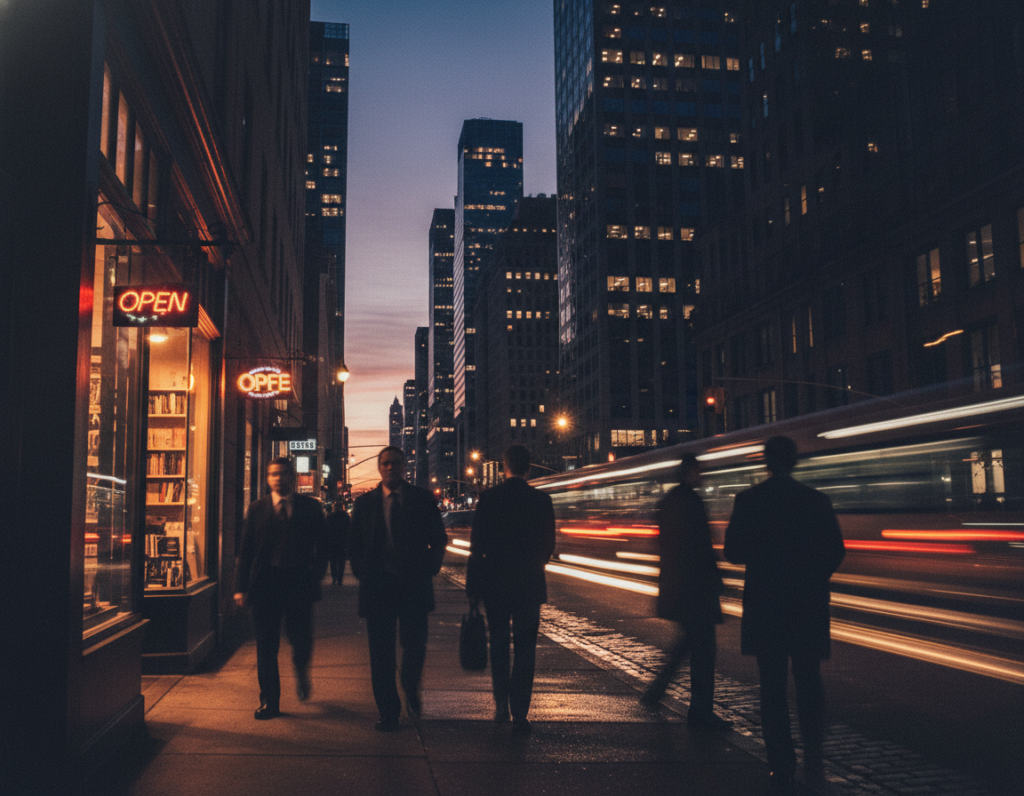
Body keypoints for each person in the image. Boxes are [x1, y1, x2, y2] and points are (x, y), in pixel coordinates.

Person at [724, 436, 845, 792]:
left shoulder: (749, 501)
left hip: (767, 606)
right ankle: (814, 757)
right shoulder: (816, 501)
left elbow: (733, 552)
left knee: (772, 688)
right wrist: (813, 578)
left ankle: (781, 764)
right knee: (809, 682)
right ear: (795, 461)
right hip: (807, 605)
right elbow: (835, 551)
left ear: (766, 462)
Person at [349, 446, 447, 731]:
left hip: (414, 585)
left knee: (415, 646)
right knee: (380, 654)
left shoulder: (421, 499)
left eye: (396, 463)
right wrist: (361, 572)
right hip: (377, 587)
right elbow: (354, 544)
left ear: (405, 466)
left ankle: (410, 685)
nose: (391, 468)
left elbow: (438, 539)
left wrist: (430, 568)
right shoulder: (364, 504)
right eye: (386, 463)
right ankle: (388, 712)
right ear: (380, 468)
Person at [466, 445, 556, 733]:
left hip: (496, 584)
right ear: (528, 467)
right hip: (529, 584)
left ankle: (501, 704)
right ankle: (520, 711)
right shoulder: (541, 501)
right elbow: (548, 545)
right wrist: (534, 563)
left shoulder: (489, 499)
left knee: (500, 645)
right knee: (526, 649)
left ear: (503, 467)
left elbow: (476, 546)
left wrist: (474, 587)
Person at [233, 456, 330, 720]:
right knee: (266, 645)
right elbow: (246, 550)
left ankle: (301, 672)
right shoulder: (256, 509)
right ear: (267, 478)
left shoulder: (311, 508)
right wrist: (240, 588)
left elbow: (324, 547)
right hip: (265, 585)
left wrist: (316, 576)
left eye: (283, 473)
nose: (278, 478)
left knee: (300, 639)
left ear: (292, 477)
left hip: (299, 584)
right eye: (273, 474)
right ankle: (269, 701)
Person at [641, 453, 731, 731]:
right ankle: (701, 712)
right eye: (698, 471)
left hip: (676, 585)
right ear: (690, 472)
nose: (701, 476)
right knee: (704, 652)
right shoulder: (692, 502)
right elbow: (701, 548)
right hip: (696, 587)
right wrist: (716, 581)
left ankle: (658, 691)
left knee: (689, 643)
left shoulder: (668, 502)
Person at [326, 502, 350, 585]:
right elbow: (349, 530)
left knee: (333, 562)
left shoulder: (330, 517)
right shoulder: (346, 517)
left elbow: (327, 531)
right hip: (342, 542)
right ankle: (339, 578)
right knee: (341, 562)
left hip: (333, 542)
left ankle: (335, 577)